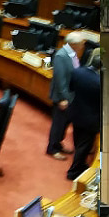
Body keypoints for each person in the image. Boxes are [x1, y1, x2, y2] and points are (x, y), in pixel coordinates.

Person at [46, 32, 85, 161]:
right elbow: (60, 80)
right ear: (73, 44)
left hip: (70, 96)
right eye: (81, 43)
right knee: (58, 124)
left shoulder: (72, 54)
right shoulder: (61, 56)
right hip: (62, 98)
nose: (83, 46)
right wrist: (63, 99)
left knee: (64, 123)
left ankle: (58, 144)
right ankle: (52, 148)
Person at [67, 49, 101, 181]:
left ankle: (80, 164)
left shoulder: (77, 72)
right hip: (91, 120)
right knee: (84, 146)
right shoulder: (99, 83)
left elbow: (71, 89)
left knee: (78, 141)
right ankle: (73, 172)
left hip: (76, 113)